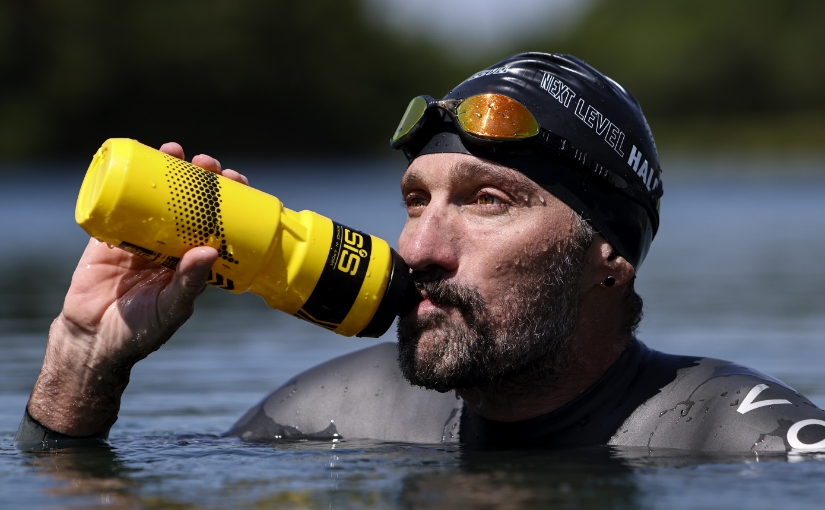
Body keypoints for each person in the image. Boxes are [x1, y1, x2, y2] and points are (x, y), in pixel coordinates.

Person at [16, 53, 825, 453]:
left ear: (608, 257)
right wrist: (86, 364)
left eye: (486, 200)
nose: (418, 247)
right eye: (415, 198)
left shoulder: (743, 441)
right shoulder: (333, 415)